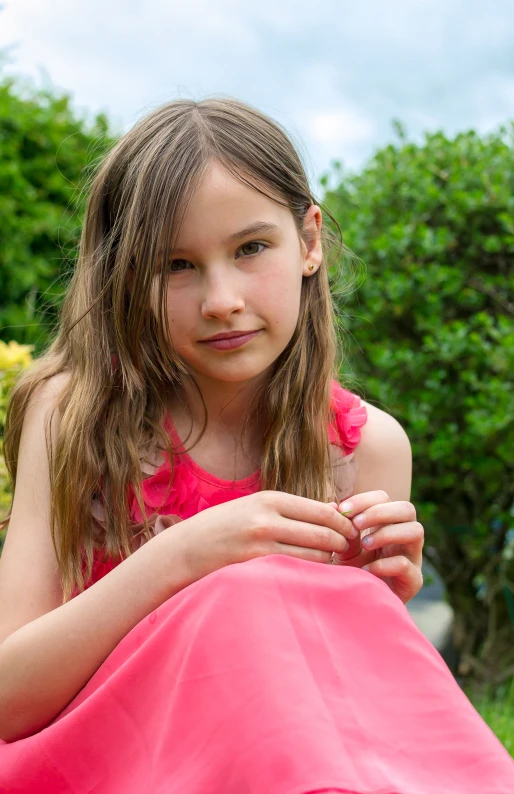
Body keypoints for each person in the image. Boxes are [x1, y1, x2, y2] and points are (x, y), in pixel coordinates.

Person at [0, 97, 512, 794]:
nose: (221, 298)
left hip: (283, 770)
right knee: (246, 592)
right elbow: (8, 700)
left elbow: (332, 716)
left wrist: (375, 605)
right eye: (176, 265)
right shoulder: (76, 414)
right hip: (99, 764)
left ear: (309, 241)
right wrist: (187, 555)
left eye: (250, 249)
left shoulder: (368, 448)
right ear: (125, 276)